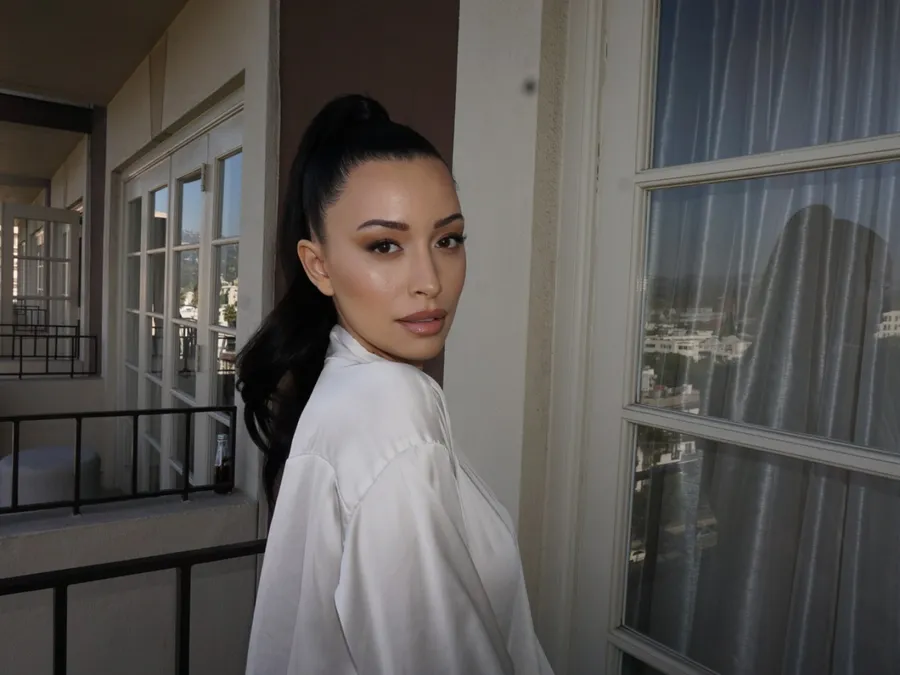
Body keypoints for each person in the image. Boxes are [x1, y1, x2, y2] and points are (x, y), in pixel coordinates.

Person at [238, 94, 553, 675]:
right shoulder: (389, 414)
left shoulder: (347, 393)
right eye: (385, 245)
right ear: (319, 266)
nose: (429, 281)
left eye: (448, 240)